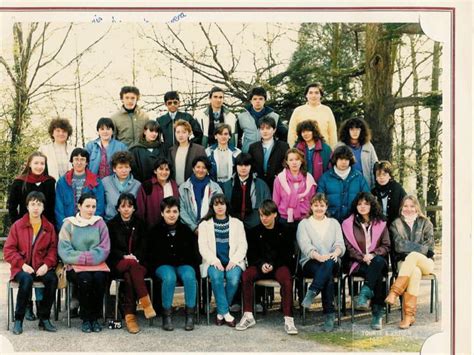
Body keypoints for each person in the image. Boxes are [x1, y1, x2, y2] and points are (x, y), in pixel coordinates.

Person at [236, 200, 297, 335]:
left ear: (275, 214)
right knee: (246, 275)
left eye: (267, 215)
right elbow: (251, 254)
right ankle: (248, 315)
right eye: (261, 215)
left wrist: (273, 265)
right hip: (260, 265)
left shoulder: (285, 230)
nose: (264, 218)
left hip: (279, 266)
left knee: (287, 278)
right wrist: (261, 264)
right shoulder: (254, 231)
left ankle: (288, 319)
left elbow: (287, 254)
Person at [4, 191, 58, 335]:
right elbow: (8, 250)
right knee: (26, 280)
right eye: (33, 204)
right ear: (27, 206)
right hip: (21, 268)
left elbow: (53, 249)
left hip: (41, 267)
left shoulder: (49, 227)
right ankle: (19, 320)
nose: (36, 207)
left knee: (53, 279)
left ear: (43, 207)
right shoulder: (18, 225)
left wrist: (46, 265)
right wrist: (22, 264)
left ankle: (44, 318)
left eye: (39, 204)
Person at [58, 193, 110, 333]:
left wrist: (88, 258)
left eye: (93, 206)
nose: (90, 209)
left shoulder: (100, 223)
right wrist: (84, 258)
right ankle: (86, 319)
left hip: (97, 265)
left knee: (100, 279)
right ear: (79, 206)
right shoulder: (69, 224)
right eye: (87, 206)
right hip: (75, 266)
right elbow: (64, 251)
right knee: (85, 279)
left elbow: (104, 249)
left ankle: (95, 318)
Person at [148, 197, 201, 331]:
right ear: (162, 213)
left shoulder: (185, 230)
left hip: (183, 264)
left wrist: (188, 263)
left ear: (179, 213)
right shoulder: (155, 231)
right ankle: (167, 315)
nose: (172, 215)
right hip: (164, 265)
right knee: (169, 277)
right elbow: (152, 255)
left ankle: (190, 315)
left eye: (175, 211)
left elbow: (193, 253)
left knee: (190, 276)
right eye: (168, 211)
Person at [106, 193, 155, 334]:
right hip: (118, 262)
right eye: (123, 206)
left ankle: (130, 317)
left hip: (138, 263)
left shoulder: (141, 224)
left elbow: (145, 246)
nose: (126, 209)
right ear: (118, 209)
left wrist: (135, 257)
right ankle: (145, 302)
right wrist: (124, 256)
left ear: (134, 208)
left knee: (129, 275)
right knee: (128, 266)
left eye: (130, 206)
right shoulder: (111, 225)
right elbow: (110, 247)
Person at [385, 195, 435, 329]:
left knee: (413, 256)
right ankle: (408, 316)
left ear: (417, 207)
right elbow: (398, 246)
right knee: (415, 272)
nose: (409, 209)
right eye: (406, 206)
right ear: (402, 207)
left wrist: (415, 250)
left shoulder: (426, 223)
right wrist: (422, 249)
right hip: (404, 263)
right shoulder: (396, 224)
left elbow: (430, 248)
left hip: (426, 263)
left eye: (412, 206)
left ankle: (394, 292)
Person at [297, 193, 345, 332]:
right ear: (311, 207)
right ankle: (329, 315)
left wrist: (335, 253)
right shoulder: (304, 224)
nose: (319, 208)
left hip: (332, 259)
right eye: (316, 205)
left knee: (328, 264)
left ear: (326, 207)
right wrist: (318, 256)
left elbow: (340, 244)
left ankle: (312, 291)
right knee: (326, 274)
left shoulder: (334, 223)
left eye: (322, 205)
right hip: (311, 261)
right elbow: (304, 245)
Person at [341, 192, 390, 330]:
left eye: (366, 204)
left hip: (376, 259)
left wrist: (373, 255)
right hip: (358, 263)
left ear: (372, 205)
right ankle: (377, 315)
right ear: (355, 206)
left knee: (378, 262)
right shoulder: (348, 224)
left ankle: (365, 292)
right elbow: (348, 247)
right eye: (359, 204)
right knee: (378, 276)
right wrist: (363, 257)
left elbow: (386, 245)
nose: (362, 206)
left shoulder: (381, 223)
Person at [198, 194, 247, 327]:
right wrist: (214, 261)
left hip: (233, 261)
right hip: (213, 262)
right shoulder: (204, 225)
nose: (219, 207)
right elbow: (203, 247)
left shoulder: (237, 223)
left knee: (233, 279)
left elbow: (243, 245)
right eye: (216, 204)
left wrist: (235, 260)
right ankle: (226, 313)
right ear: (212, 207)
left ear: (226, 205)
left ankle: (221, 312)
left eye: (222, 204)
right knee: (217, 278)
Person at [55, 148, 105, 230]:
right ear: (71, 161)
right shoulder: (62, 182)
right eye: (76, 159)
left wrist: (92, 225)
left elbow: (100, 206)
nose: (79, 162)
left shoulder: (96, 182)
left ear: (87, 162)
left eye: (82, 159)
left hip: (89, 224)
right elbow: (59, 208)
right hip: (68, 224)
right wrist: (64, 227)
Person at [317, 145, 370, 223]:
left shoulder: (358, 177)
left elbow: (367, 197)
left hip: (354, 222)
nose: (344, 162)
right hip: (331, 221)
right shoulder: (325, 178)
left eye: (346, 159)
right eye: (341, 159)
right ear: (335, 159)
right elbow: (319, 200)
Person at [222, 153, 271, 230]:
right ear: (236, 166)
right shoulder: (227, 185)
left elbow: (268, 205)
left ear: (251, 166)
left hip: (255, 224)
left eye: (246, 165)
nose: (243, 168)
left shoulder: (261, 184)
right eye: (240, 165)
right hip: (232, 224)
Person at [273, 148, 317, 232]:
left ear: (301, 161)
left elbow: (313, 201)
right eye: (291, 160)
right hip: (284, 220)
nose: (294, 162)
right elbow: (275, 201)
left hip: (305, 219)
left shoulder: (309, 178)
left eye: (297, 159)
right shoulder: (279, 179)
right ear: (286, 162)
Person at [8, 151, 56, 225]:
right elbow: (12, 206)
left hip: (45, 227)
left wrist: (51, 226)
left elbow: (51, 207)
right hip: (24, 225)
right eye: (36, 163)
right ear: (30, 164)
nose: (39, 166)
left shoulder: (50, 182)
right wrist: (16, 224)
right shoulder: (19, 182)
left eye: (42, 163)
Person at [179, 156, 222, 234]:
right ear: (193, 169)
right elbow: (181, 209)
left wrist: (206, 225)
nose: (200, 170)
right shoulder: (183, 187)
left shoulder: (215, 188)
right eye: (198, 167)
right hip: (188, 229)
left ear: (207, 170)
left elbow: (220, 208)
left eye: (204, 167)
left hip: (209, 228)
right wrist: (194, 227)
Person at [237, 87, 287, 153]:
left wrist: (278, 150)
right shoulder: (242, 117)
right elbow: (237, 137)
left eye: (260, 99)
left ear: (265, 100)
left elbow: (283, 134)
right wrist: (241, 150)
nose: (258, 101)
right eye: (255, 99)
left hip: (268, 154)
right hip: (248, 154)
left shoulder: (274, 116)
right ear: (251, 101)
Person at [287, 82, 337, 148]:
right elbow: (292, 133)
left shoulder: (327, 110)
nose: (313, 96)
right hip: (302, 151)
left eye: (316, 93)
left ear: (320, 95)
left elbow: (332, 133)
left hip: (323, 151)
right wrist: (293, 151)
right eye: (310, 93)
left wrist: (332, 152)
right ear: (306, 95)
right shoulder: (298, 111)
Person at [248, 116, 289, 192]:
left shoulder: (283, 146)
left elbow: (287, 164)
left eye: (268, 128)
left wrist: (280, 174)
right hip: (258, 184)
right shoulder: (253, 147)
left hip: (278, 183)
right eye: (262, 129)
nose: (265, 131)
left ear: (274, 130)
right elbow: (250, 165)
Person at [136, 157, 179, 228]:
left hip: (171, 228)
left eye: (167, 169)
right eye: (161, 169)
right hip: (151, 229)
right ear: (155, 171)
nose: (164, 172)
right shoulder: (146, 185)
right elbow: (140, 211)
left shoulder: (174, 185)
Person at [335, 117, 378, 188]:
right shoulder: (339, 146)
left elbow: (374, 167)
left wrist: (374, 187)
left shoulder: (368, 146)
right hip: (345, 185)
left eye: (357, 129)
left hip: (365, 184)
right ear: (347, 131)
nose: (355, 132)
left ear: (362, 131)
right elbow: (333, 167)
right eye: (352, 129)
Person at [102, 151, 141, 221]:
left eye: (126, 167)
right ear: (114, 169)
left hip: (130, 222)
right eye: (120, 167)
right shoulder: (105, 182)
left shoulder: (137, 185)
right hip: (109, 221)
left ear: (130, 168)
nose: (124, 170)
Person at [169, 119, 207, 186]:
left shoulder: (199, 150)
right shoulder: (171, 150)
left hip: (193, 187)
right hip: (175, 187)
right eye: (178, 132)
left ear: (189, 133)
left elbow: (205, 169)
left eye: (184, 132)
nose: (180, 135)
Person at [371, 161, 407, 225]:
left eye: (384, 174)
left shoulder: (397, 188)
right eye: (378, 175)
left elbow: (406, 206)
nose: (381, 177)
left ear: (390, 176)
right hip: (379, 225)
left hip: (397, 224)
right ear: (376, 177)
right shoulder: (373, 192)